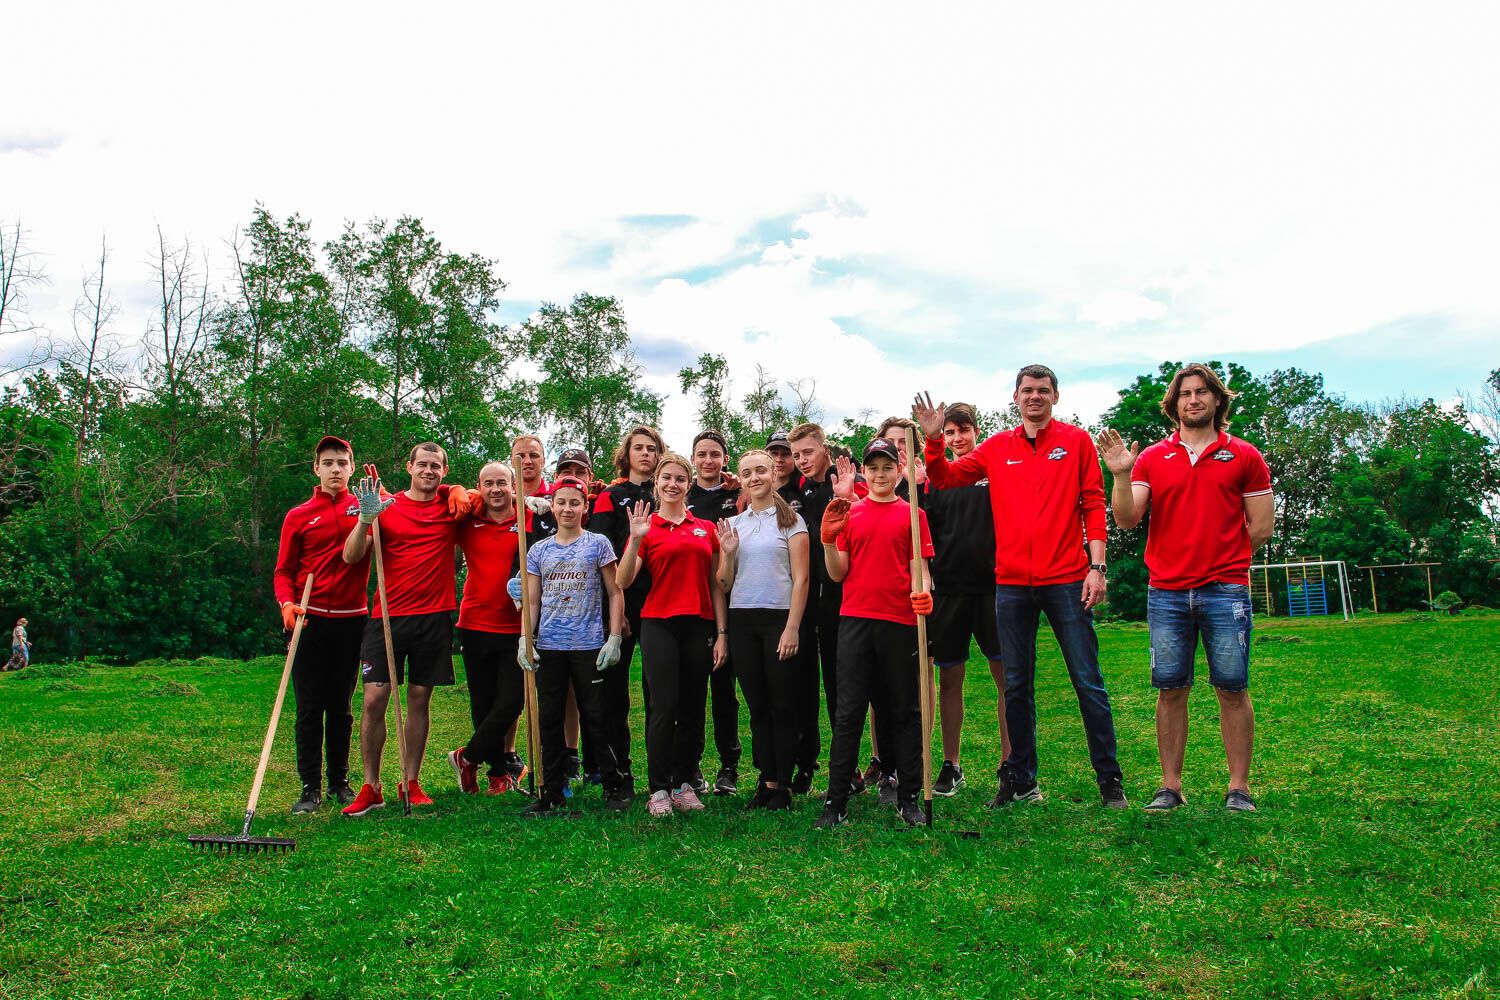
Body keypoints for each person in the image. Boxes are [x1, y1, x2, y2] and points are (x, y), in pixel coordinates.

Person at [916, 365, 1128, 810]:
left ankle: (1110, 780)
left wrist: (1097, 566)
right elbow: (945, 478)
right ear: (1015, 398)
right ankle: (1021, 779)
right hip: (1010, 583)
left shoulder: (1076, 442)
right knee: (1016, 685)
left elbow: (1093, 501)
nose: (1035, 397)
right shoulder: (997, 447)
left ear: (1056, 396)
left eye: (1043, 390)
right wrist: (934, 441)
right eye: (1027, 390)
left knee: (1087, 681)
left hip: (1068, 578)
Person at [1098, 364, 1274, 813]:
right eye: (1185, 394)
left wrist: (1222, 557)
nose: (1193, 400)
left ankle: (1239, 788)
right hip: (1168, 592)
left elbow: (1262, 526)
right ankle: (1170, 787)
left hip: (1225, 590)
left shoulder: (1245, 456)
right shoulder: (1154, 458)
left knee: (1232, 689)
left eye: (1202, 393)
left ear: (1218, 401)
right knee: (1171, 689)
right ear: (1174, 405)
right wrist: (1120, 474)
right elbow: (1125, 519)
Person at [452, 477, 631, 813]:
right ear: (554, 505)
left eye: (574, 503)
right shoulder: (539, 550)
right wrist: (525, 638)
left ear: (584, 508)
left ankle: (613, 785)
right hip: (549, 646)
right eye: (561, 502)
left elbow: (614, 591)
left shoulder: (598, 544)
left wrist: (615, 636)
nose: (567, 508)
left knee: (595, 716)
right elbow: (532, 601)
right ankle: (551, 789)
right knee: (548, 718)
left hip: (587, 645)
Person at [339, 443, 472, 816]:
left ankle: (410, 782)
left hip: (435, 616)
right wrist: (366, 519)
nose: (428, 471)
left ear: (443, 472)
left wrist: (457, 489)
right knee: (374, 699)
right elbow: (351, 556)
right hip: (387, 616)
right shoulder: (386, 506)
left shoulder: (450, 508)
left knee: (418, 699)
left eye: (436, 467)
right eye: (422, 465)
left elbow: (486, 494)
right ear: (409, 466)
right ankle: (370, 785)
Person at [813, 438, 934, 828]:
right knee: (848, 713)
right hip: (856, 621)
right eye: (873, 467)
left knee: (904, 711)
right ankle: (835, 803)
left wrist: (925, 594)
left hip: (900, 623)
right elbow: (837, 572)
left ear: (900, 472)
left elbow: (921, 570)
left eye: (887, 467)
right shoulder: (851, 513)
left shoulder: (913, 515)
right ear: (864, 471)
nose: (880, 474)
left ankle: (910, 795)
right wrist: (829, 540)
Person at [616, 453, 729, 817]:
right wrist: (635, 540)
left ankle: (684, 784)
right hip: (659, 623)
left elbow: (718, 584)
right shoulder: (647, 527)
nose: (673, 484)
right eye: (666, 478)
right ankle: (659, 788)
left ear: (689, 483)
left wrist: (722, 631)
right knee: (663, 707)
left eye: (681, 478)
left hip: (698, 624)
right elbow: (622, 581)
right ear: (657, 482)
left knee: (694, 708)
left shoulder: (705, 528)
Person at [272, 436, 372, 813]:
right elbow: (283, 571)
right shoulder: (298, 515)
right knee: (310, 706)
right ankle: (309, 787)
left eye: (342, 463)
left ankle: (339, 782)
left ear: (351, 467)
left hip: (352, 620)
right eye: (328, 462)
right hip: (307, 620)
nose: (335, 469)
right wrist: (286, 603)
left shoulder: (363, 507)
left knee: (341, 705)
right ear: (316, 468)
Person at [920, 404, 1010, 797]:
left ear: (976, 431)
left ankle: (1011, 762)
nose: (957, 438)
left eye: (964, 430)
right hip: (949, 592)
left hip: (994, 589)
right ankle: (951, 764)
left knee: (1006, 678)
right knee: (949, 678)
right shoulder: (933, 480)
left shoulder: (992, 473)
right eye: (951, 432)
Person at [716, 449, 810, 810]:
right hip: (743, 620)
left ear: (773, 474)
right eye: (747, 473)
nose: (754, 478)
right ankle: (766, 778)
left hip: (778, 619)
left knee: (782, 703)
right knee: (757, 706)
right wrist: (726, 553)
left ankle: (782, 784)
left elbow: (801, 580)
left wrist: (792, 628)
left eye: (760, 471)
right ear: (739, 479)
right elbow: (723, 584)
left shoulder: (792, 522)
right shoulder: (735, 525)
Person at [786, 422, 864, 794]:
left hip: (841, 596)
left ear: (824, 450)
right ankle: (805, 762)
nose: (802, 460)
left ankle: (846, 768)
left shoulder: (846, 478)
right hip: (804, 597)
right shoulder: (799, 489)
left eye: (808, 452)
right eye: (797, 454)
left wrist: (850, 496)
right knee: (803, 684)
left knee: (840, 685)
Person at [588, 425, 665, 794]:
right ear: (627, 454)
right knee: (613, 695)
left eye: (652, 448)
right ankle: (618, 774)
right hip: (617, 600)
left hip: (659, 602)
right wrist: (616, 612)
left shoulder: (666, 490)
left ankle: (662, 775)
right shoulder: (610, 495)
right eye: (639, 448)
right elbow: (598, 549)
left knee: (659, 694)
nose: (646, 454)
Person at [453, 460, 529, 795]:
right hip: (475, 621)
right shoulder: (467, 521)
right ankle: (498, 773)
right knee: (483, 704)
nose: (496, 489)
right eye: (488, 484)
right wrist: (455, 490)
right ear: (479, 488)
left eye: (502, 483)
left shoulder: (528, 519)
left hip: (517, 624)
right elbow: (437, 499)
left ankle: (467, 758)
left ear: (514, 486)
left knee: (513, 701)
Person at [686, 430, 743, 795]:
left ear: (725, 459)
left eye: (715, 454)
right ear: (693, 458)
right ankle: (690, 765)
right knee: (690, 693)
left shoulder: (736, 495)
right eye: (702, 454)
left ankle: (728, 766)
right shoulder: (679, 492)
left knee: (725, 690)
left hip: (729, 601)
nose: (708, 460)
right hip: (690, 605)